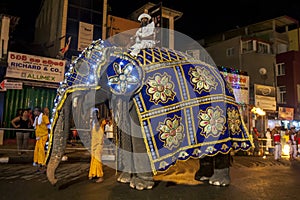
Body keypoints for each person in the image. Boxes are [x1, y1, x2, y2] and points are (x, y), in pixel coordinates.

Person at [88, 108, 105, 183]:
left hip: (98, 145)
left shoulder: (101, 122)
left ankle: (100, 176)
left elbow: (106, 122)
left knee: (98, 161)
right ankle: (93, 173)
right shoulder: (92, 123)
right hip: (93, 144)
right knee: (93, 160)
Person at [32, 107, 50, 172]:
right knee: (37, 150)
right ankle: (38, 163)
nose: (34, 113)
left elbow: (48, 125)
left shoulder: (44, 117)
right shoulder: (37, 118)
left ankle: (42, 163)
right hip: (39, 137)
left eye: (35, 111)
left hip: (43, 136)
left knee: (41, 149)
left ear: (38, 111)